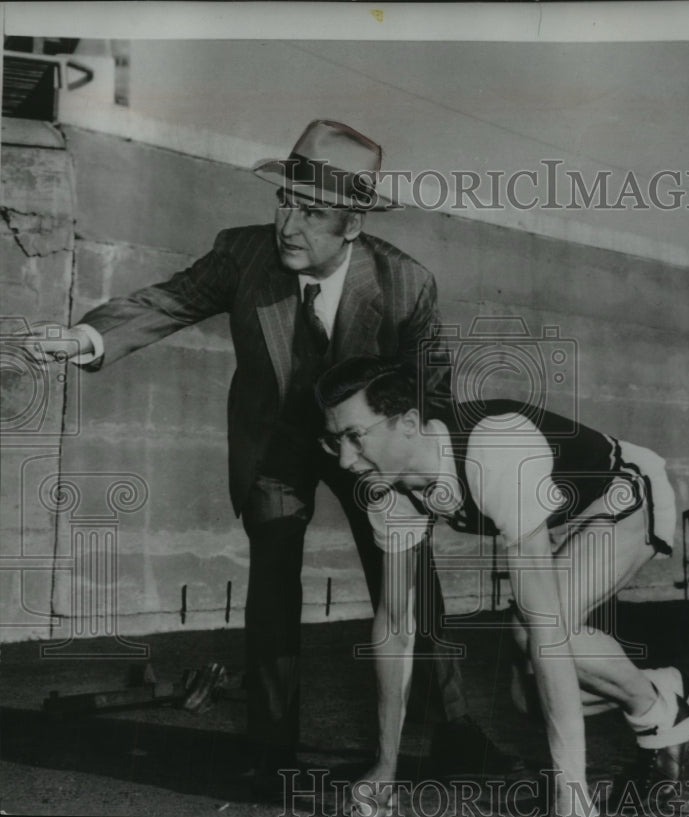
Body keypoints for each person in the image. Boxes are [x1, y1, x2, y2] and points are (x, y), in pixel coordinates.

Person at [24, 120, 516, 799]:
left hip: (369, 444)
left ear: (351, 225)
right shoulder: (243, 255)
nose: (288, 222)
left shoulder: (405, 284)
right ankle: (270, 747)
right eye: (285, 200)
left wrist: (404, 478)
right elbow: (170, 299)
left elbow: (427, 394)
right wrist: (86, 335)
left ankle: (454, 730)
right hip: (277, 440)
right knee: (273, 580)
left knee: (406, 575)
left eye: (311, 212)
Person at [316, 356, 689, 817]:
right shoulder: (386, 489)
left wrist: (570, 798)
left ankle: (655, 711)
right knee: (532, 698)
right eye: (335, 440)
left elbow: (547, 632)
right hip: (565, 514)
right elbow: (396, 627)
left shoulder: (496, 448)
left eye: (356, 437)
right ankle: (658, 694)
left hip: (625, 493)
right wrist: (385, 768)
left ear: (410, 422)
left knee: (540, 634)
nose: (344, 459)